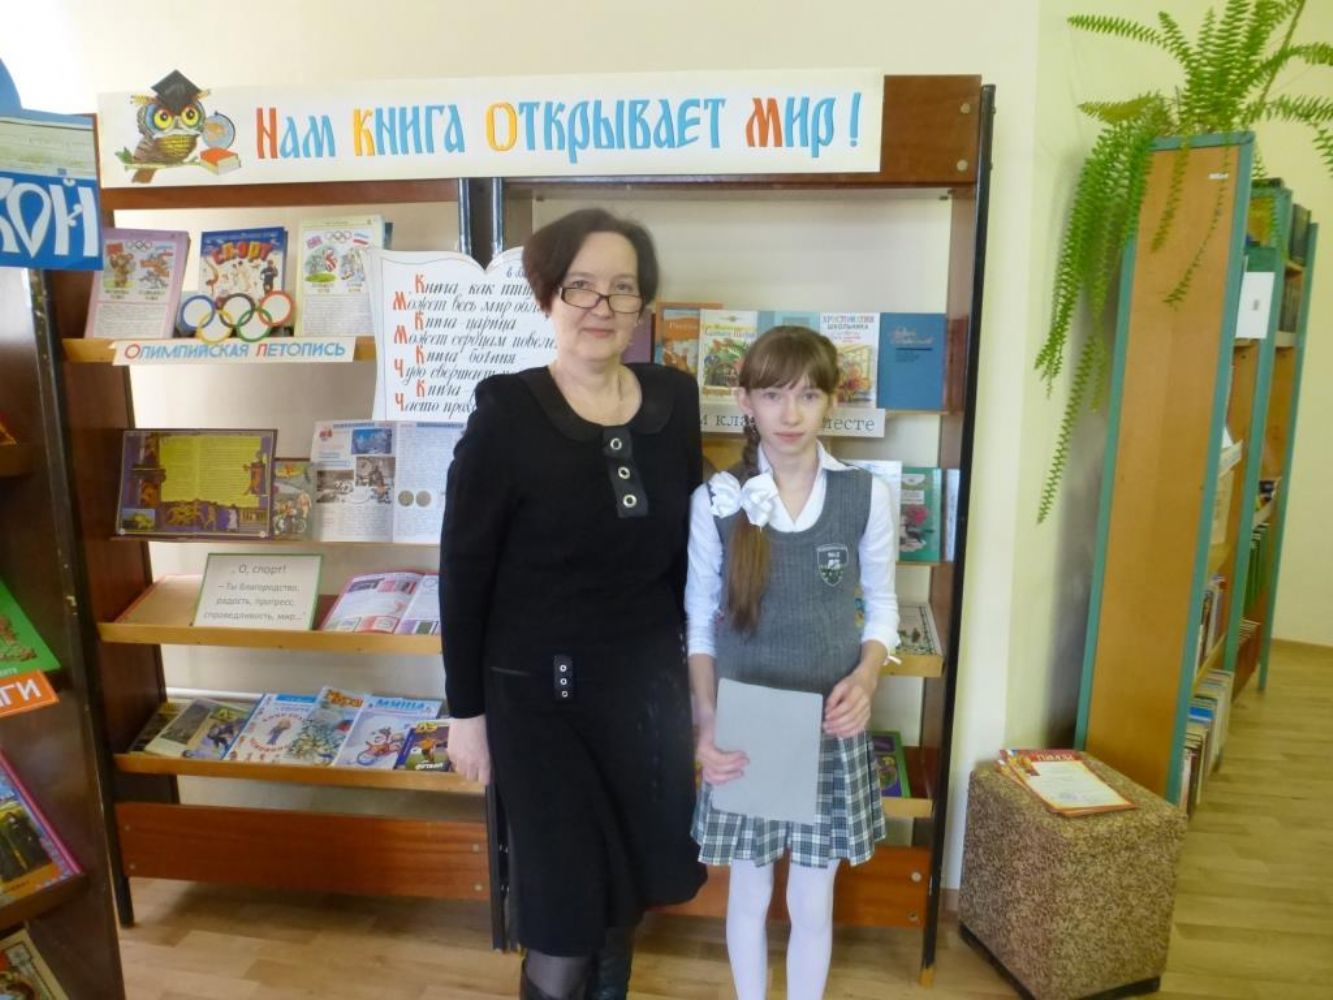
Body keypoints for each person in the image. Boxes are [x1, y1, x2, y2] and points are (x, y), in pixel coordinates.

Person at [440, 208, 706, 1000]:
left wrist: (699, 690)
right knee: (563, 913)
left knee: (625, 895)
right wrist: (466, 714)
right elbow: (463, 572)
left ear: (642, 303)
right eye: (580, 286)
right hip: (538, 704)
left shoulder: (675, 400)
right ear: (547, 297)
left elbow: (692, 554)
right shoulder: (506, 414)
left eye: (621, 289)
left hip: (645, 700)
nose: (601, 306)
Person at [686, 326, 899, 1000]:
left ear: (832, 402)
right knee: (749, 891)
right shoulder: (716, 501)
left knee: (812, 898)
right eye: (773, 394)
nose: (790, 412)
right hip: (747, 726)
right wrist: (707, 722)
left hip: (828, 725)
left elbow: (883, 607)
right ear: (745, 401)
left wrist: (866, 676)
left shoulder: (865, 495)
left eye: (808, 395)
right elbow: (699, 624)